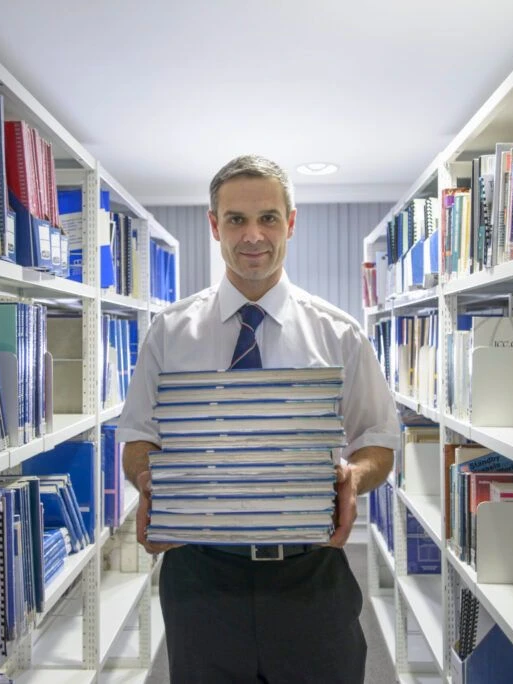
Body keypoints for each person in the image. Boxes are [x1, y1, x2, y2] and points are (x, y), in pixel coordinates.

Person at [116, 154, 399, 683]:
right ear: (213, 225)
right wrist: (149, 482)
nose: (253, 236)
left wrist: (352, 479)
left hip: (310, 575)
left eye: (268, 218)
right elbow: (137, 436)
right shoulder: (169, 333)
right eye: (236, 220)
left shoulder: (338, 335)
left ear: (290, 223)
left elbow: (379, 440)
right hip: (200, 577)